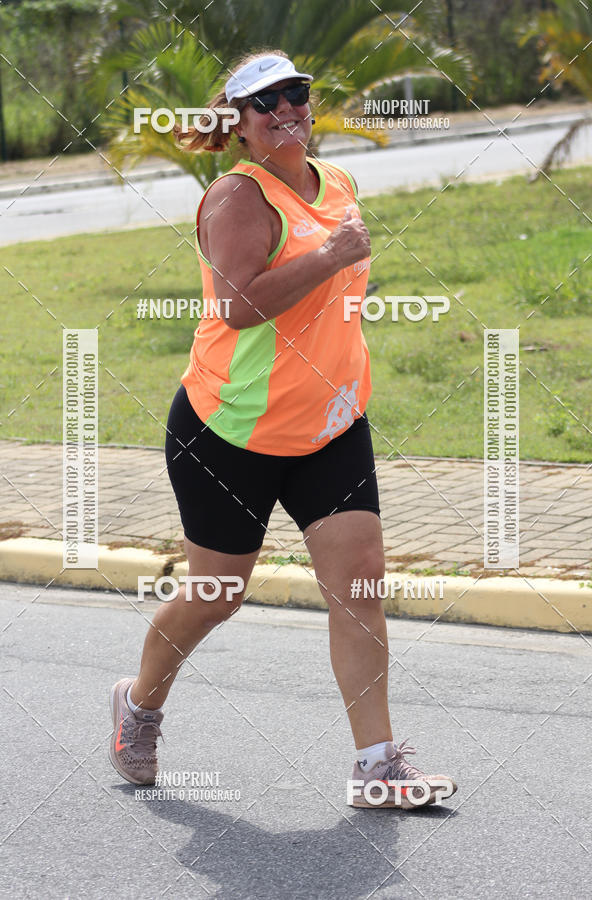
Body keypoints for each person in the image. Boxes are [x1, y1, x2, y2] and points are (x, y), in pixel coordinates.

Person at [109, 50, 457, 809]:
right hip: (230, 434)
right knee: (217, 593)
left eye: (295, 93)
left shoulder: (337, 182)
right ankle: (138, 707)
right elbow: (239, 305)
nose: (285, 109)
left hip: (330, 429)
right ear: (238, 124)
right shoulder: (237, 197)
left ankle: (376, 768)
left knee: (359, 586)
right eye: (264, 102)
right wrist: (332, 255)